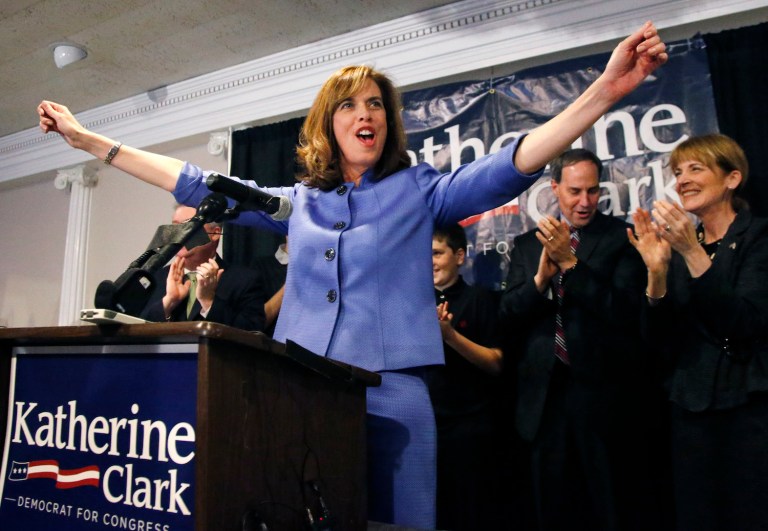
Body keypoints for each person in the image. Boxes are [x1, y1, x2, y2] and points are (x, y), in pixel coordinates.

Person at [37, 22, 666, 528]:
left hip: (393, 397)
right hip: (299, 390)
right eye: (349, 105)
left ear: (386, 123)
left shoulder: (420, 192)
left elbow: (511, 164)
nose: (365, 113)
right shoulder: (297, 204)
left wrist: (604, 93)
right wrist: (90, 141)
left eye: (376, 105)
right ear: (328, 125)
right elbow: (197, 182)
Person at [499, 148, 663, 531]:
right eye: (575, 191)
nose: (585, 202)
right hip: (543, 401)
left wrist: (571, 265)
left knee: (610, 506)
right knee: (552, 509)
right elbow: (506, 315)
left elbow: (625, 312)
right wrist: (540, 281)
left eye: (593, 191)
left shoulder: (620, 238)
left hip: (603, 397)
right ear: (555, 188)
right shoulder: (527, 245)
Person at [628, 133, 768, 531]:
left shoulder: (758, 238)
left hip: (748, 407)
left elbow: (745, 323)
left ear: (732, 179)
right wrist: (656, 275)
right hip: (690, 410)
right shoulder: (679, 246)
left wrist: (691, 253)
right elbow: (658, 341)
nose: (682, 180)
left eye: (695, 168)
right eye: (677, 172)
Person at [430, 224, 505, 530]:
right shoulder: (410, 302)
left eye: (436, 253)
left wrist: (451, 337)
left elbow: (496, 363)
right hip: (425, 426)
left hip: (468, 429)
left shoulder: (480, 299)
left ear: (459, 256)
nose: (429, 262)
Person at [141, 204, 267, 331]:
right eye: (175, 225)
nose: (179, 233)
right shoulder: (155, 277)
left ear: (215, 234)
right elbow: (134, 329)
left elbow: (251, 334)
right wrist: (168, 303)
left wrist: (209, 301)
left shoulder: (244, 280)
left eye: (189, 226)